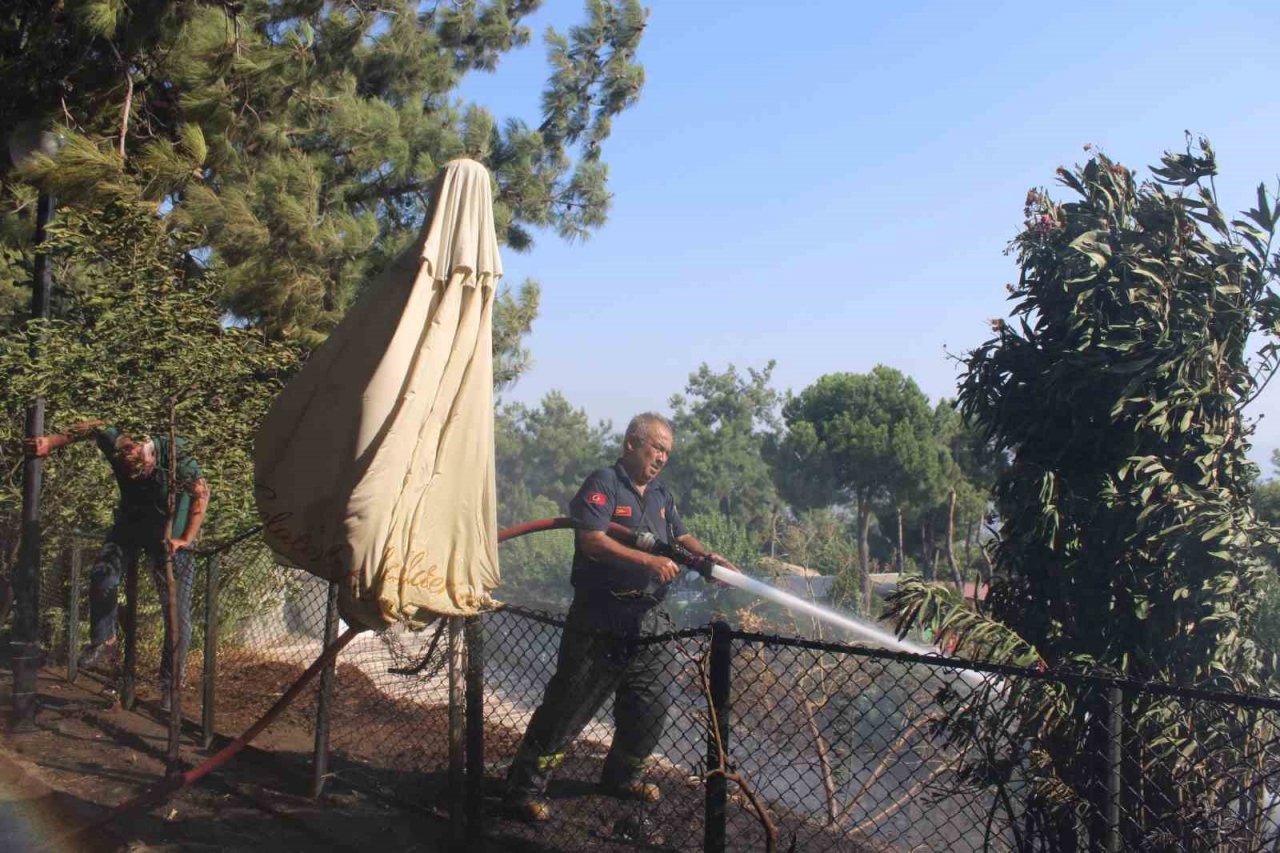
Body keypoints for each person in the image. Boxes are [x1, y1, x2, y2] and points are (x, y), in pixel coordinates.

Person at [504, 412, 738, 822]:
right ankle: (523, 789)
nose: (663, 457)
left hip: (649, 619)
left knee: (651, 702)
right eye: (657, 448)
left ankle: (623, 777)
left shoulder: (662, 496)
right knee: (569, 705)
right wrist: (647, 560)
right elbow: (592, 541)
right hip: (601, 616)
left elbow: (682, 538)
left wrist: (709, 560)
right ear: (632, 443)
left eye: (668, 451)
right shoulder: (604, 484)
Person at [27, 420, 209, 707]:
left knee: (176, 614)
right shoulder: (118, 445)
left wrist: (186, 538)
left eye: (142, 473)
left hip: (171, 539)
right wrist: (52, 441)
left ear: (149, 456)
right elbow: (94, 427)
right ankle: (104, 640)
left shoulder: (178, 456)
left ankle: (169, 685)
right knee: (102, 574)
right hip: (130, 526)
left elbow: (201, 493)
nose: (134, 477)